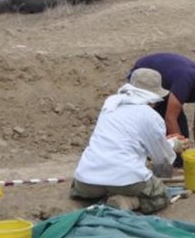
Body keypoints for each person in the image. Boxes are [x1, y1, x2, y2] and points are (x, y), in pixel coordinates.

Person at [70, 68, 187, 214]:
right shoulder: (150, 116)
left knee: (97, 184)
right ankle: (126, 201)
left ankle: (101, 196)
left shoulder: (110, 104)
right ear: (153, 97)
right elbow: (161, 157)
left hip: (86, 181)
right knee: (160, 194)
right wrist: (173, 145)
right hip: (125, 178)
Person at [128, 53, 195, 151]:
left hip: (167, 86)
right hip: (145, 76)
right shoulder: (185, 81)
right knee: (164, 134)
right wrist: (182, 151)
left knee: (181, 136)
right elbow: (170, 118)